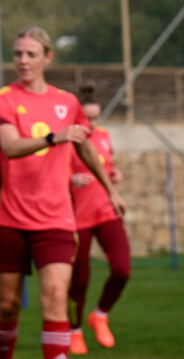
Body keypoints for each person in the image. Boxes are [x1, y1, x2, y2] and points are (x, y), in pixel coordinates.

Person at [0, 26, 126, 359]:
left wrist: (109, 190)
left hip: (56, 218)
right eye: (18, 54)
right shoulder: (4, 99)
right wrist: (52, 138)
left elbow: (84, 146)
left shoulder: (67, 102)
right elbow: (10, 147)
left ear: (48, 58)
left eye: (31, 54)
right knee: (8, 305)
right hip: (9, 216)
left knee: (57, 298)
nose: (23, 60)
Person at [67, 81, 131, 355]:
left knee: (122, 269)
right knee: (79, 281)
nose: (92, 124)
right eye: (88, 118)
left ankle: (100, 315)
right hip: (77, 218)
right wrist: (69, 179)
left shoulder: (103, 136)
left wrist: (115, 175)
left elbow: (107, 166)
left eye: (96, 118)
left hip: (106, 212)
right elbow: (52, 173)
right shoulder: (67, 140)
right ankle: (74, 331)